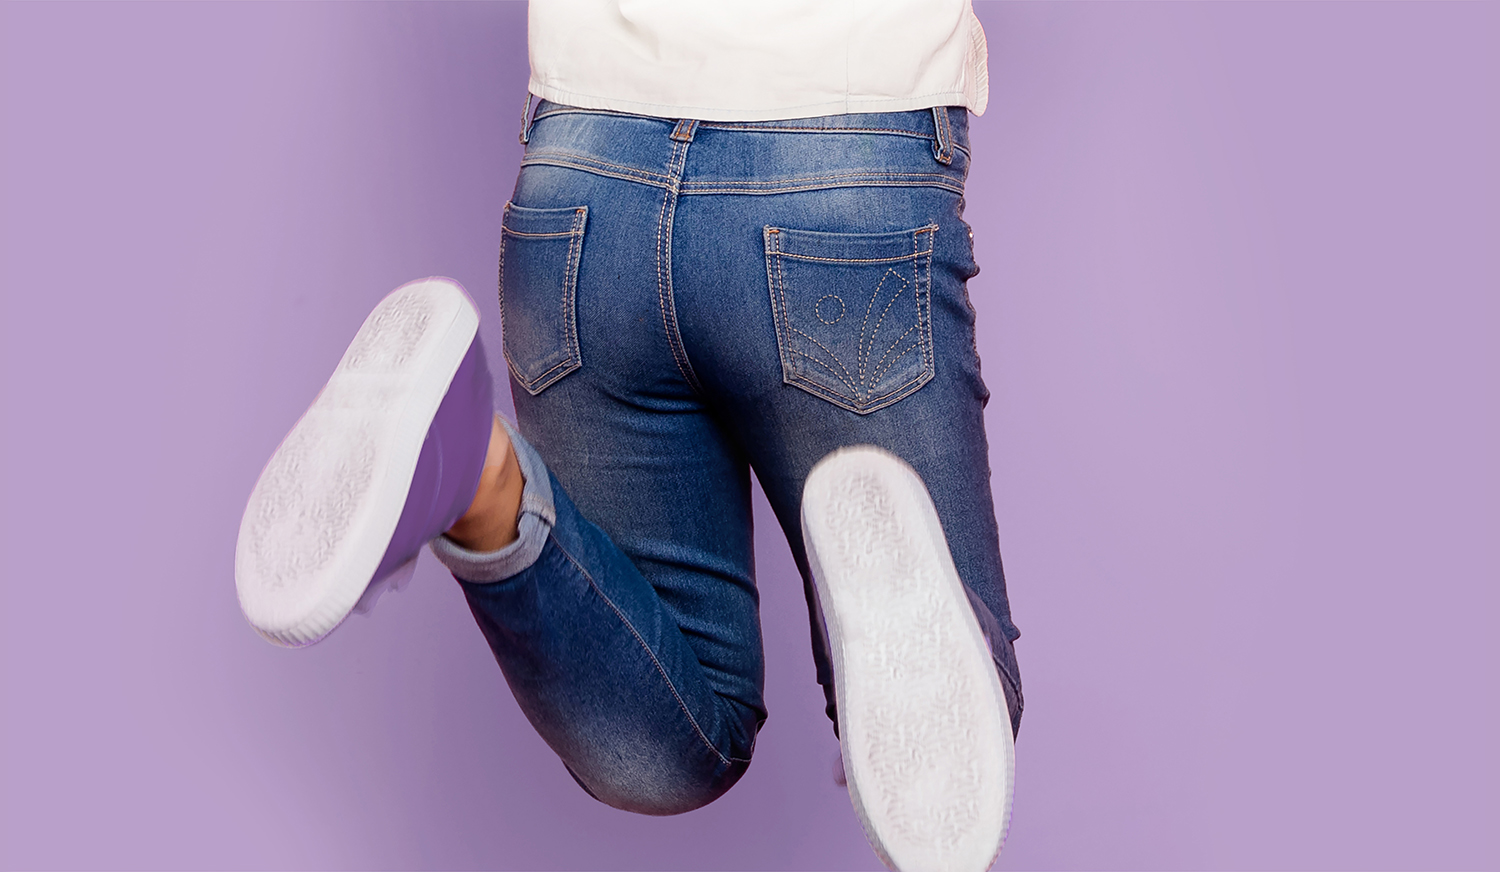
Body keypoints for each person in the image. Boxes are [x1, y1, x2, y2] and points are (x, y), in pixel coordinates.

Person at [235, 3, 1023, 870]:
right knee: (966, 724)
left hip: (581, 186)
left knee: (668, 754)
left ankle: (475, 480)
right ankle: (864, 578)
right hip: (841, 170)